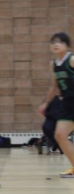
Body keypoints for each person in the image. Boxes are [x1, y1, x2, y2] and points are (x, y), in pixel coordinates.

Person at [37, 32, 74, 178]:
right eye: (53, 42)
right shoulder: (53, 64)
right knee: (60, 135)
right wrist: (46, 103)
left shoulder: (71, 59)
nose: (56, 44)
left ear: (67, 45)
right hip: (68, 103)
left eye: (60, 42)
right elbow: (53, 86)